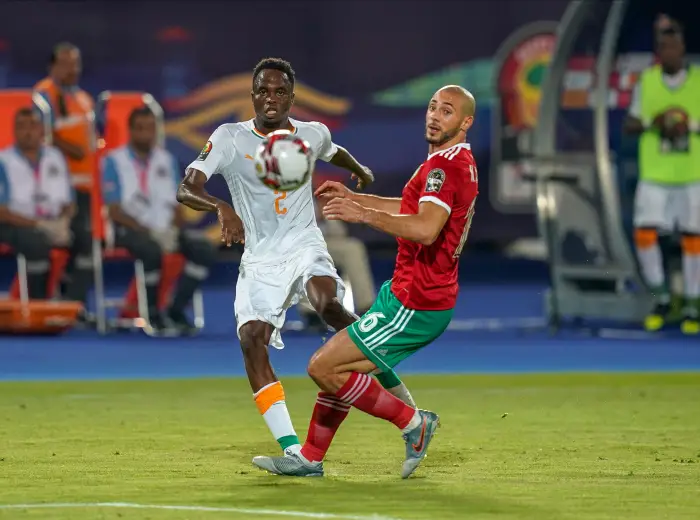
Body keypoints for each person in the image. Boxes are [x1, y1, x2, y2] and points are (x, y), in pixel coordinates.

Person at [176, 57, 416, 459]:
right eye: (263, 91)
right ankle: (291, 450)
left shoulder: (311, 133)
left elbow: (334, 151)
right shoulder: (229, 137)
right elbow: (187, 186)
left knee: (329, 306)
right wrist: (221, 207)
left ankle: (398, 392)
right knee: (252, 341)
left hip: (305, 243)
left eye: (280, 91)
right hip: (259, 259)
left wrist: (360, 170)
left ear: (292, 97)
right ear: (252, 95)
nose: (271, 99)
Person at [252, 85, 478, 479]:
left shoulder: (444, 168)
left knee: (324, 367)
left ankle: (413, 424)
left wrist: (362, 217)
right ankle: (310, 457)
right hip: (407, 295)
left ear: (465, 122)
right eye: (432, 107)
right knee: (340, 369)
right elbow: (413, 210)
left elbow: (425, 229)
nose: (434, 116)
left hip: (416, 303)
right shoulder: (450, 161)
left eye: (447, 111)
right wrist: (360, 203)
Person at [102, 106, 217, 334]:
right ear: (131, 131)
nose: (146, 134)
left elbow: (177, 205)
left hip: (164, 228)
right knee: (151, 250)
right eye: (141, 129)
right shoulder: (114, 162)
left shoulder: (166, 160)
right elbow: (114, 210)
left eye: (151, 129)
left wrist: (176, 230)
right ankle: (152, 313)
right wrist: (146, 230)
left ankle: (175, 309)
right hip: (129, 229)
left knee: (203, 248)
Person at [624, 15, 700, 334]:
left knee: (692, 239)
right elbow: (630, 124)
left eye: (674, 46)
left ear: (682, 48)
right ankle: (661, 297)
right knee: (644, 235)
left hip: (691, 174)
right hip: (655, 174)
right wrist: (653, 124)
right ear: (659, 52)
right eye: (663, 47)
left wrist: (689, 126)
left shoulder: (697, 82)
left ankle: (693, 304)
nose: (669, 52)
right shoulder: (648, 82)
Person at [34, 42, 96, 318]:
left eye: (77, 63)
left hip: (86, 186)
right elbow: (38, 135)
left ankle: (72, 302)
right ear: (52, 66)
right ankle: (65, 303)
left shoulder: (83, 99)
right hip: (58, 186)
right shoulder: (42, 95)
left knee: (86, 243)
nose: (73, 69)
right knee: (76, 240)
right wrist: (70, 149)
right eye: (66, 63)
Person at [0, 108, 76, 299]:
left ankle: (74, 304)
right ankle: (38, 304)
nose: (27, 132)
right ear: (14, 131)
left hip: (53, 222)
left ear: (42, 130)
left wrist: (63, 223)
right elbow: (1, 212)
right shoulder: (4, 161)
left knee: (85, 238)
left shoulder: (56, 158)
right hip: (14, 224)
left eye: (32, 126)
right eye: (21, 127)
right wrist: (40, 225)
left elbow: (70, 202)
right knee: (36, 242)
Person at [297, 203, 376, 330]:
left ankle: (365, 307)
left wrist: (324, 217)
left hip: (323, 241)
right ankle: (312, 313)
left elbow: (340, 233)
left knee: (353, 248)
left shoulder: (318, 196)